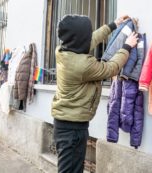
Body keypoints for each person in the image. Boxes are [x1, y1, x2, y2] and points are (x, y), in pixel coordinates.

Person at [51, 14, 138, 173]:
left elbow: (91, 39)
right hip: (72, 130)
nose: (88, 37)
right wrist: (126, 47)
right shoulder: (82, 65)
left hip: (68, 124)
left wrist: (113, 24)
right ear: (79, 39)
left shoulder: (64, 51)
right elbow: (110, 68)